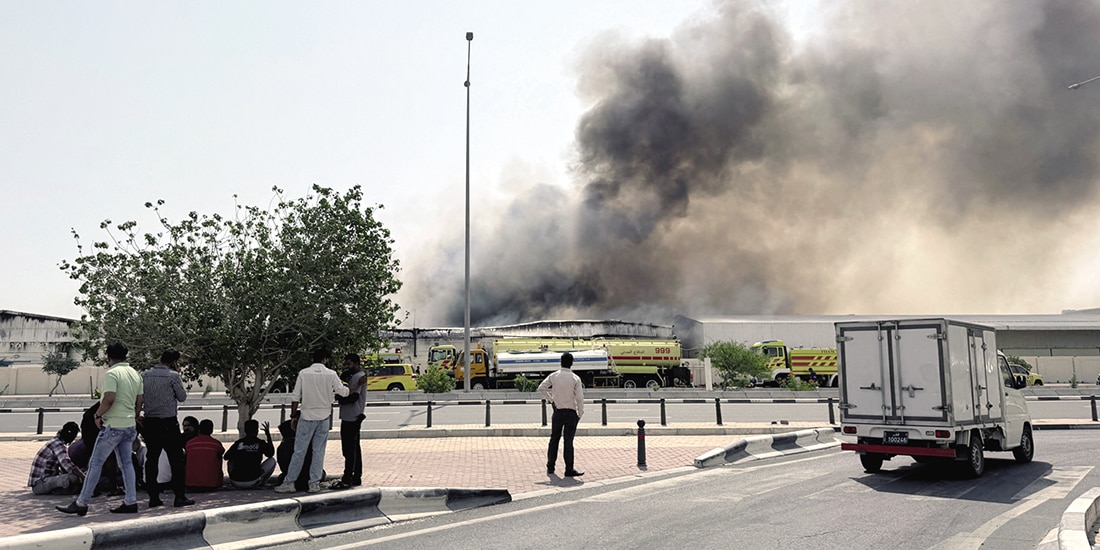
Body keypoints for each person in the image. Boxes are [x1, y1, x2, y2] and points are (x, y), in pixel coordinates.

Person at [57, 342, 144, 516]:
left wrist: (97, 415)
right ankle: (131, 500)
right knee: (126, 464)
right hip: (129, 426)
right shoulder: (135, 374)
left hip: (113, 426)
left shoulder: (112, 374)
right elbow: (139, 401)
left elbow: (109, 399)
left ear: (109, 357)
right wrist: (133, 416)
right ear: (126, 356)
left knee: (95, 463)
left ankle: (82, 503)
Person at [275, 349, 349, 494]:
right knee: (318, 451)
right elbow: (343, 391)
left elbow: (296, 397)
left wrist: (293, 416)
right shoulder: (331, 374)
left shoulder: (303, 373)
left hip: (306, 416)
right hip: (324, 417)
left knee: (299, 451)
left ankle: (289, 482)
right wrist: (350, 387)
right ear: (325, 359)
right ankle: (313, 484)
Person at [139, 349, 194, 508]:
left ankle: (153, 497)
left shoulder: (145, 375)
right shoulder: (173, 376)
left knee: (152, 460)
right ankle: (179, 496)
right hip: (168, 423)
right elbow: (182, 397)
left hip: (150, 422)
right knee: (176, 461)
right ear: (173, 362)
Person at [537, 352, 585, 477]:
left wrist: (551, 400)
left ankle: (550, 467)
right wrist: (580, 413)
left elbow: (541, 388)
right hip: (570, 412)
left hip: (557, 412)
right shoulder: (575, 378)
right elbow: (579, 398)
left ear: (561, 362)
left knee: (554, 439)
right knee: (568, 442)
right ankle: (569, 469)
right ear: (572, 363)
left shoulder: (554, 376)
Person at [331, 353, 368, 490]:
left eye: (349, 364)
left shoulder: (358, 378)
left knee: (348, 449)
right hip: (352, 415)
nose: (347, 367)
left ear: (356, 363)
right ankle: (356, 476)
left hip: (351, 416)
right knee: (355, 448)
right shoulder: (355, 377)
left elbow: (352, 397)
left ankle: (347, 478)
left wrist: (339, 398)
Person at [29, 421, 84, 495]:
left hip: (44, 480)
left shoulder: (55, 441)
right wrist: (84, 477)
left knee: (75, 475)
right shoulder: (58, 445)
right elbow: (67, 465)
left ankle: (61, 489)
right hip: (39, 484)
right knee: (74, 477)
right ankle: (62, 491)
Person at [276, 410, 323, 491]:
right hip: (306, 480)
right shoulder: (308, 444)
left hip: (296, 480)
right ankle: (313, 484)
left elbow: (282, 467)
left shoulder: (283, 446)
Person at [225, 419, 276, 489]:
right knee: (272, 461)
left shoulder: (239, 443)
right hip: (253, 480)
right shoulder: (260, 443)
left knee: (230, 461)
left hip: (236, 481)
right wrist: (268, 436)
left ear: (245, 431)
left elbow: (226, 457)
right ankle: (262, 483)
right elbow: (271, 454)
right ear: (257, 431)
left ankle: (234, 480)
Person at [185, 419, 225, 491]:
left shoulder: (189, 444)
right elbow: (222, 453)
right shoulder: (216, 444)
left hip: (190, 484)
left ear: (199, 429)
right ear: (211, 430)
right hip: (212, 485)